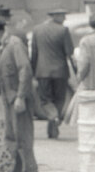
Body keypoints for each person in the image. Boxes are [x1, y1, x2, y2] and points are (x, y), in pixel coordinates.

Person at [0, 14, 39, 172]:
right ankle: (16, 169)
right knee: (12, 136)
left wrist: (21, 96)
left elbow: (25, 69)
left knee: (23, 136)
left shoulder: (14, 44)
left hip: (18, 98)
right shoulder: (2, 47)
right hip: (8, 99)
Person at [29, 8, 75, 139]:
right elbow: (69, 51)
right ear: (56, 16)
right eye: (63, 16)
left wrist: (33, 71)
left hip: (42, 71)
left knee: (45, 100)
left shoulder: (37, 30)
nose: (65, 19)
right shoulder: (63, 30)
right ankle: (54, 117)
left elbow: (34, 52)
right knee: (59, 99)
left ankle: (52, 129)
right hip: (60, 71)